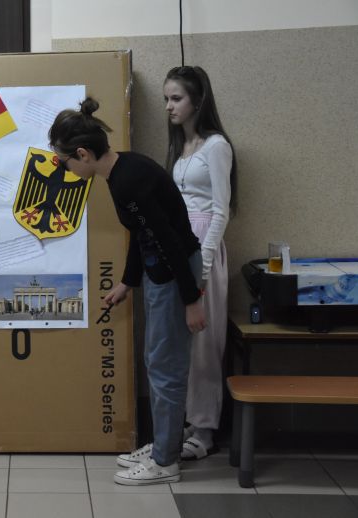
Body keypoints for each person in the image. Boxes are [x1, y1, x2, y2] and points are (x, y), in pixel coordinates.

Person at [49, 98, 204, 485]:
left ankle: (165, 462)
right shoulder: (122, 172)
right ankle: (164, 445)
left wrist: (191, 300)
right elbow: (142, 232)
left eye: (64, 163)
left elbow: (169, 240)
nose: (67, 170)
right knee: (157, 361)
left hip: (173, 273)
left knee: (165, 368)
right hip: (160, 272)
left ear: (82, 154)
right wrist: (127, 281)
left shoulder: (129, 180)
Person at [163, 65, 236, 460]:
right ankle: (189, 421)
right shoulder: (182, 147)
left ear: (197, 100)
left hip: (204, 245)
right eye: (167, 99)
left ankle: (206, 430)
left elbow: (221, 211)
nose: (169, 106)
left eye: (176, 98)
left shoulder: (216, 146)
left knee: (205, 341)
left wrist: (204, 266)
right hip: (181, 247)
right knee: (183, 342)